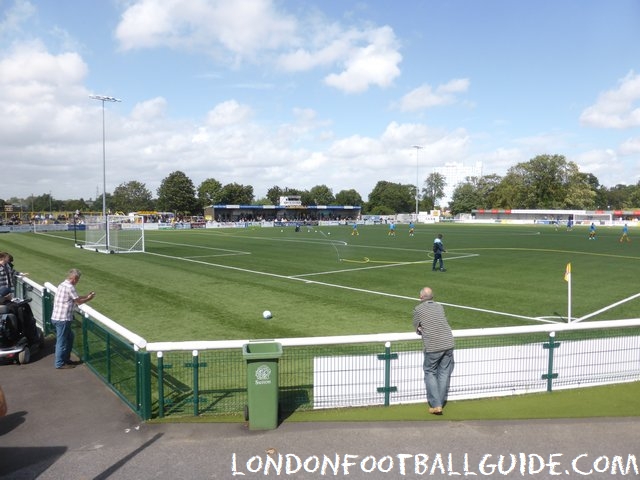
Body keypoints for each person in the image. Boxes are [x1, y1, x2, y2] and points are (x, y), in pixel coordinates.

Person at [413, 286, 454, 415]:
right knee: (443, 373)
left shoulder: (418, 309)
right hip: (448, 343)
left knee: (430, 372)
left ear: (421, 297)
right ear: (432, 297)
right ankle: (439, 403)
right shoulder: (440, 306)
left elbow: (417, 327)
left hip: (433, 346)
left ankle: (436, 405)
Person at [51, 269, 96, 369]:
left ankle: (66, 359)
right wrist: (89, 298)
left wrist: (86, 296)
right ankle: (59, 363)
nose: (78, 281)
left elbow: (75, 297)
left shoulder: (62, 284)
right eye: (78, 279)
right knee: (61, 342)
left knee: (70, 337)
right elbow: (78, 302)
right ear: (74, 278)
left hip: (56, 317)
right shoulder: (70, 287)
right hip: (63, 319)